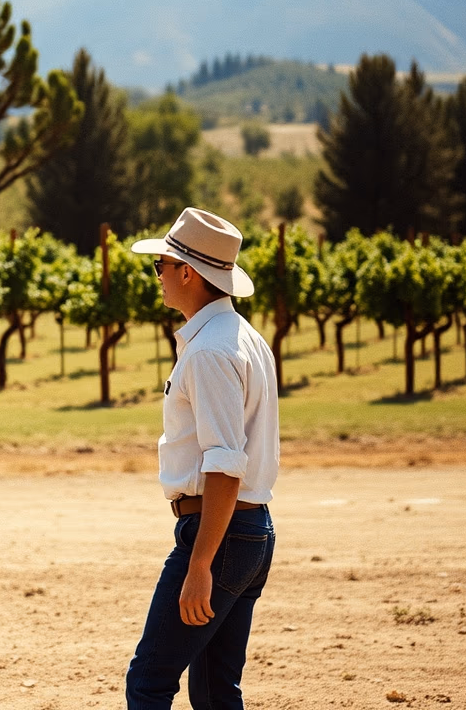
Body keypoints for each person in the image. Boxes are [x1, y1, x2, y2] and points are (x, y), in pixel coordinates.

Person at [124, 207, 280, 709]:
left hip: (221, 535)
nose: (159, 276)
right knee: (215, 692)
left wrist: (200, 564)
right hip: (248, 531)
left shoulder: (210, 350)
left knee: (149, 682)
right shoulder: (244, 338)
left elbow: (225, 465)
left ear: (188, 272)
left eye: (161, 266)